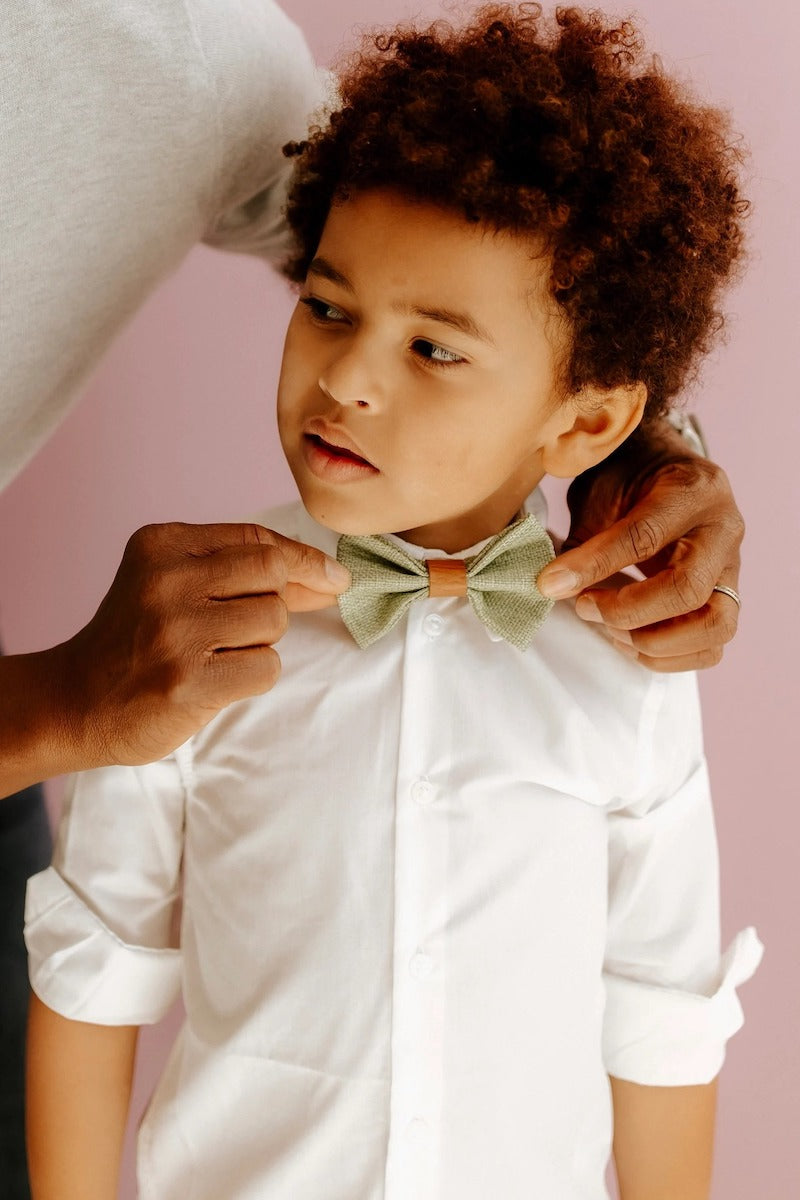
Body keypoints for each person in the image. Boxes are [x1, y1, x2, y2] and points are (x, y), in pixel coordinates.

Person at [24, 6, 761, 1197]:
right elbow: (95, 974)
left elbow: (660, 1016)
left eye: (433, 350)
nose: (346, 378)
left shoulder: (629, 672)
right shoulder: (184, 635)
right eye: (325, 308)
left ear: (582, 424)